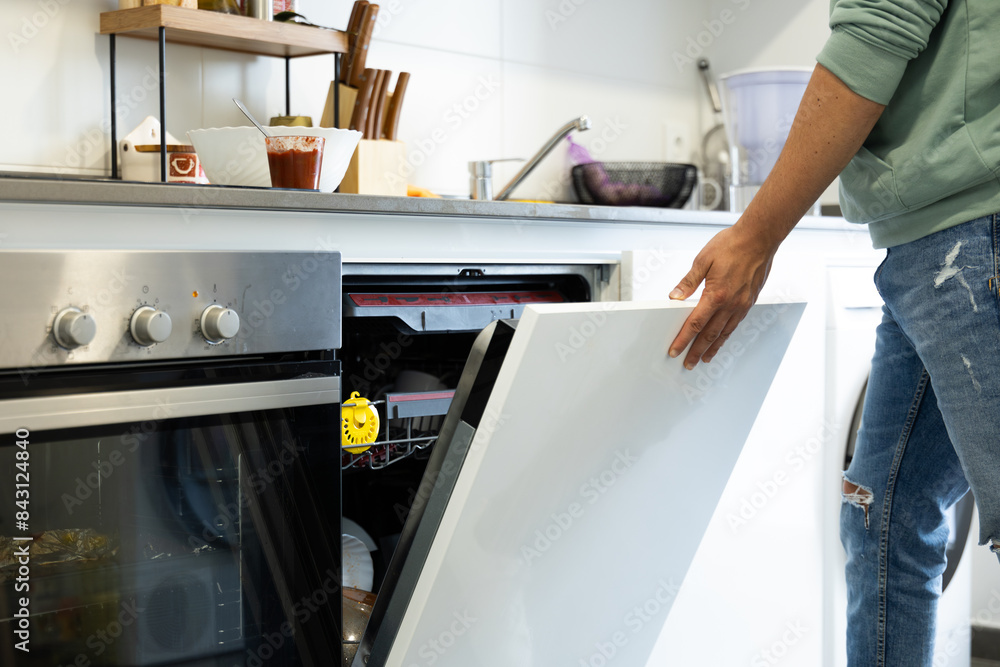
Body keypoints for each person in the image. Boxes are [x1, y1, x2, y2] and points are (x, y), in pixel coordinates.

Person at [666, 1, 1000, 665]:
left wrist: (756, 232)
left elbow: (874, 39)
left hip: (972, 233)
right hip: (930, 243)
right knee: (886, 519)